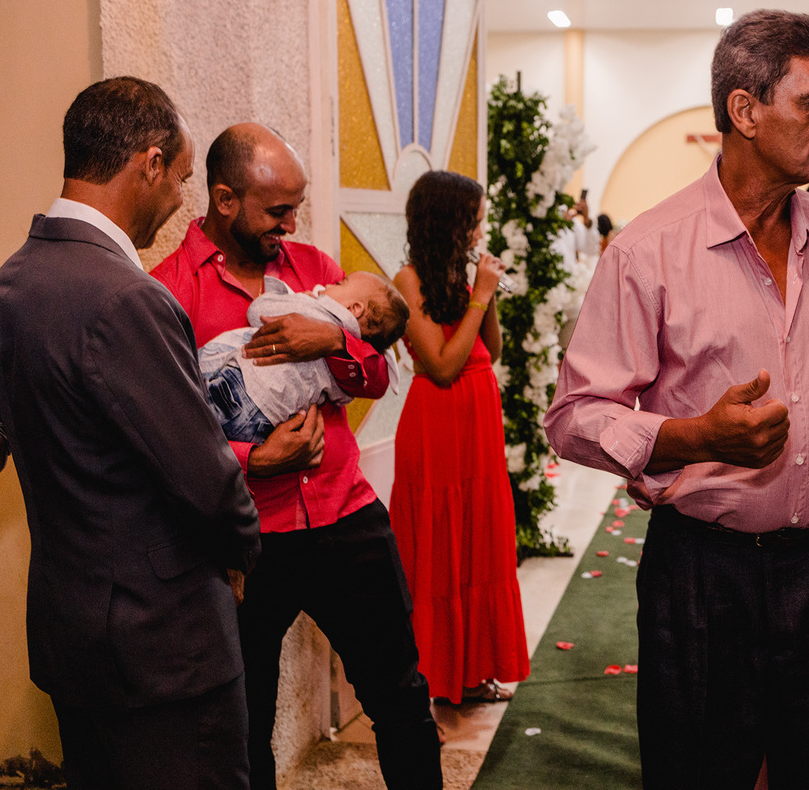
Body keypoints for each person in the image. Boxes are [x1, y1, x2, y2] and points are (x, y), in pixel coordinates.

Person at [545, 10, 809, 789]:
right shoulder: (646, 250)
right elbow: (574, 417)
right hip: (702, 573)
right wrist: (698, 438)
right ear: (744, 110)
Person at [151, 122, 442, 790]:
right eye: (277, 210)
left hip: (347, 516)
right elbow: (167, 433)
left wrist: (332, 343)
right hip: (247, 540)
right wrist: (255, 459)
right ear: (225, 200)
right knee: (243, 720)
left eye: (295, 208)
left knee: (400, 696)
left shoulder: (317, 270)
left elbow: (375, 374)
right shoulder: (169, 291)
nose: (291, 223)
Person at [0, 77, 260, 790]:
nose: (179, 203)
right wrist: (239, 555)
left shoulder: (12, 282)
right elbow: (205, 476)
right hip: (160, 645)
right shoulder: (127, 298)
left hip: (69, 631)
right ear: (147, 163)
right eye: (178, 179)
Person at [389, 170, 530, 704]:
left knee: (477, 544)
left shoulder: (461, 277)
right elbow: (443, 365)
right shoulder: (408, 280)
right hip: (439, 421)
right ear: (449, 221)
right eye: (474, 220)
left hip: (477, 419)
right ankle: (437, 675)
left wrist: (485, 297)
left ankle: (474, 672)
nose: (480, 230)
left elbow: (487, 352)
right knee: (440, 546)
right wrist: (480, 297)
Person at [199, 271, 408, 443]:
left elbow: (258, 311)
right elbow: (344, 394)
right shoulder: (347, 369)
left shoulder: (320, 313)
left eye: (339, 283)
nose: (327, 284)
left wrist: (298, 300)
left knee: (189, 421)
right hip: (264, 423)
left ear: (354, 309)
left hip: (240, 392)